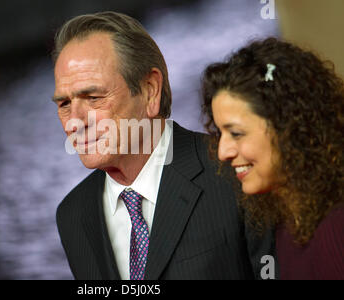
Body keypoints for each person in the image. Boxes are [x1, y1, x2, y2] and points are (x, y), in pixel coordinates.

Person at [53, 11, 275, 280]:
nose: (74, 123)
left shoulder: (236, 175)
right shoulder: (73, 214)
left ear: (150, 91)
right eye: (64, 104)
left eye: (93, 97)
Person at [201, 37, 344, 280]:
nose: (222, 151)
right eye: (219, 132)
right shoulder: (287, 224)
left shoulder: (336, 227)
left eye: (236, 133)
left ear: (288, 127)